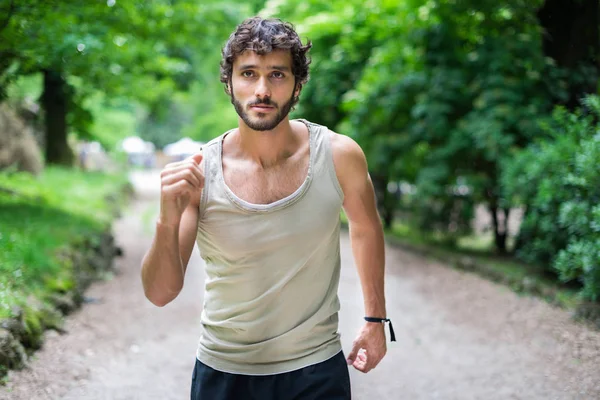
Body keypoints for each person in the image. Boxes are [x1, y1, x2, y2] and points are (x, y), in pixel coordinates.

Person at [141, 16, 393, 400]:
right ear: (229, 82)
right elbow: (160, 293)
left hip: (316, 370)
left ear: (297, 85)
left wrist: (375, 319)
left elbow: (365, 226)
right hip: (224, 372)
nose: (261, 89)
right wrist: (165, 219)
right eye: (248, 74)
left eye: (277, 75)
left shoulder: (339, 155)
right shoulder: (200, 172)